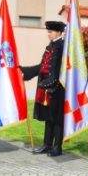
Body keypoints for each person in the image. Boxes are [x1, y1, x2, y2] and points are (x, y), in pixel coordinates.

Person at [20, 21, 66, 156]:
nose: (48, 34)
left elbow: (59, 70)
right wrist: (24, 71)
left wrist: (47, 84)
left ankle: (57, 147)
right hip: (46, 87)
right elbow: (42, 67)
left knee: (57, 119)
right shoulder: (50, 46)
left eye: (51, 31)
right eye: (48, 31)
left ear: (59, 32)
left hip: (57, 88)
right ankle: (47, 145)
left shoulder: (63, 47)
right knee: (48, 117)